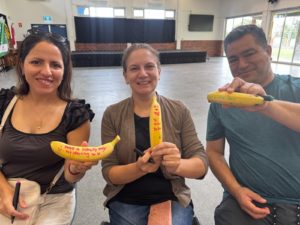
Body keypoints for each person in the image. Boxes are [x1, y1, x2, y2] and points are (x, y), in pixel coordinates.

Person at [101, 43, 208, 225]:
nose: (143, 74)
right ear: (125, 76)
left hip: (171, 195)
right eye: (134, 68)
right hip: (126, 196)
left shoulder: (178, 110)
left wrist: (178, 165)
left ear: (159, 71)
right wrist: (138, 168)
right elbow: (109, 172)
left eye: (149, 66)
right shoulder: (112, 114)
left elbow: (201, 165)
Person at [206, 24, 300, 225]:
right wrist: (236, 190)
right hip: (248, 202)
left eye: (249, 54)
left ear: (268, 51)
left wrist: (265, 105)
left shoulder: (295, 88)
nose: (241, 64)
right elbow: (214, 152)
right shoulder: (222, 103)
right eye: (233, 59)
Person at [0, 29, 97, 225]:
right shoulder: (3, 103)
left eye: (55, 65)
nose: (46, 72)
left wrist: (78, 168)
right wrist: (4, 190)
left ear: (64, 70)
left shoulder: (75, 115)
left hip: (52, 201)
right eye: (36, 62)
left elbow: (70, 176)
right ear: (22, 64)